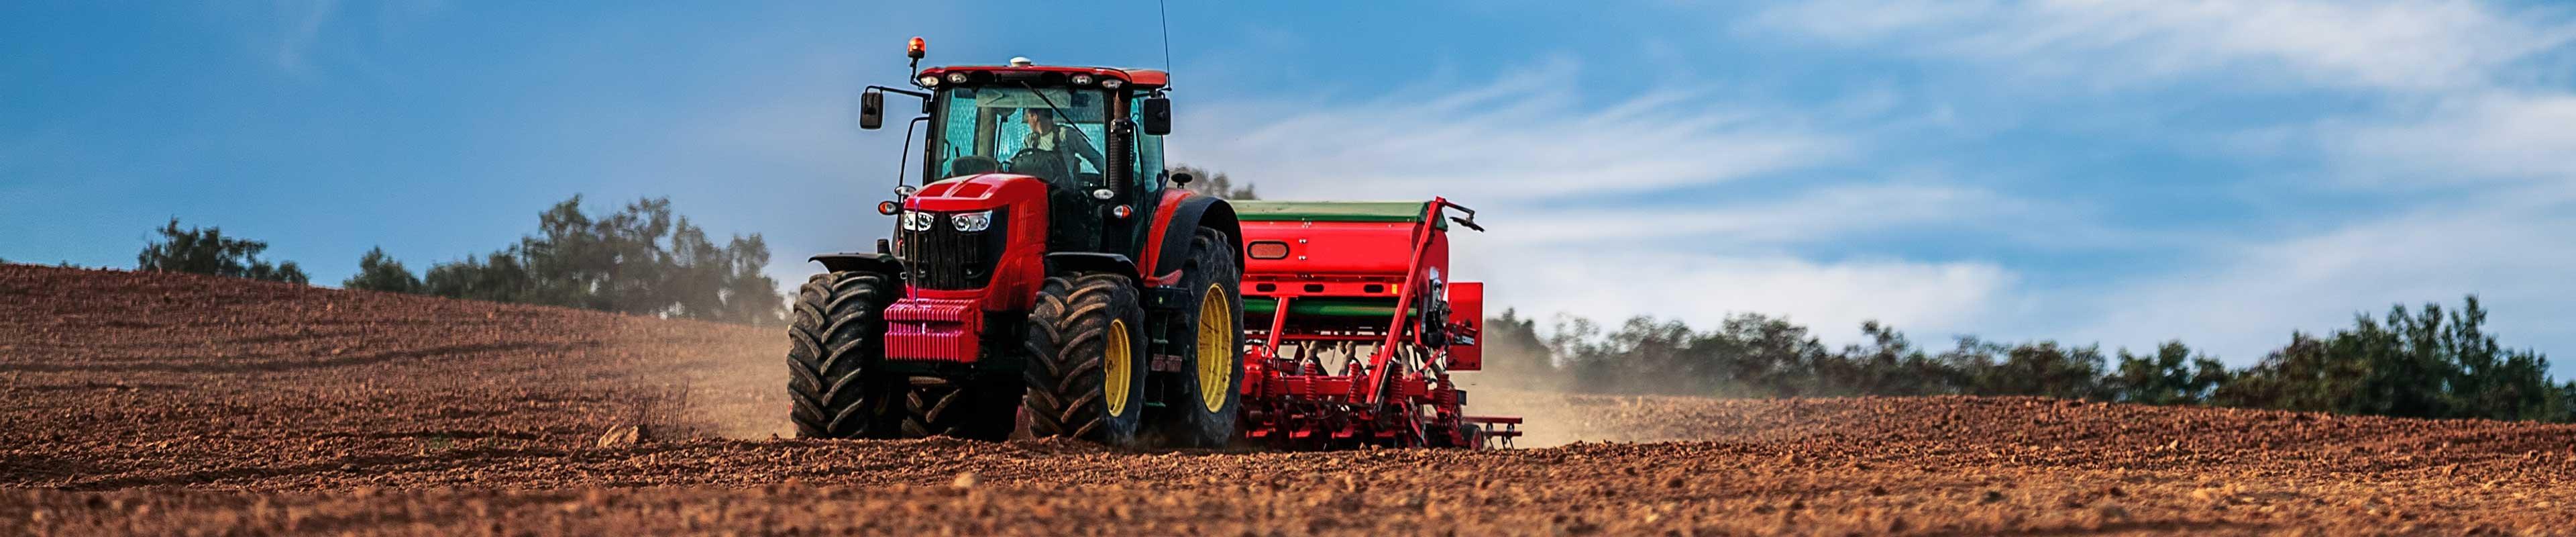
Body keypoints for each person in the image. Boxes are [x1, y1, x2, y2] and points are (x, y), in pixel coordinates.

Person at [1019, 108, 1105, 177]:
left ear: (1035, 116)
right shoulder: (1030, 140)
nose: (1028, 122)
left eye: (1028, 117)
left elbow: (1094, 157)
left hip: (1063, 194)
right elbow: (1019, 163)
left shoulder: (1066, 135)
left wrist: (1106, 177)